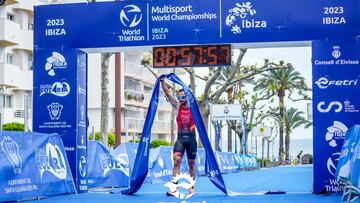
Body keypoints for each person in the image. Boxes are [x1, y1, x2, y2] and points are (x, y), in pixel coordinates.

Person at [160, 76, 196, 196]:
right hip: (180, 140)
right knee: (176, 162)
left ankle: (191, 187)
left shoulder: (194, 108)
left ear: (187, 97)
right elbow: (167, 93)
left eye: (182, 96)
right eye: (179, 96)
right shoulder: (177, 106)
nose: (180, 99)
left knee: (191, 164)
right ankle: (173, 188)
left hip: (191, 141)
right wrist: (162, 81)